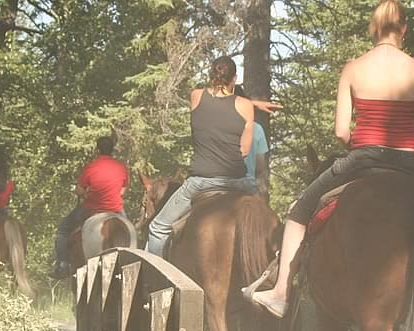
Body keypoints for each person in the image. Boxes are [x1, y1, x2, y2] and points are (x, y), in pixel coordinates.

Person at [251, 0, 414, 317]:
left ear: (374, 28)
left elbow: (340, 131)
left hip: (363, 159)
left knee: (298, 212)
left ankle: (280, 292)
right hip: (407, 162)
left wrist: (362, 145)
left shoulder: (354, 69)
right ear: (403, 28)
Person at [144, 56, 280, 256]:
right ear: (234, 78)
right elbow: (244, 149)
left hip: (200, 182)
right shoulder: (245, 106)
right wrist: (255, 105)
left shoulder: (196, 96)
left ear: (211, 75)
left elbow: (219, 98)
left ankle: (154, 282)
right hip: (239, 182)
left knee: (158, 228)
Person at [50, 136, 129, 277]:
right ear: (112, 150)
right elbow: (122, 191)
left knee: (62, 230)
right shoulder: (121, 167)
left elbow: (80, 190)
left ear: (97, 150)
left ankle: (62, 265)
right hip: (116, 209)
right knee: (130, 230)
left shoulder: (91, 167)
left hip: (92, 208)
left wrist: (83, 192)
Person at [235, 85, 271, 199]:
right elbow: (260, 167)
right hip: (247, 187)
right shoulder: (257, 128)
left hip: (220, 186)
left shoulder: (216, 127)